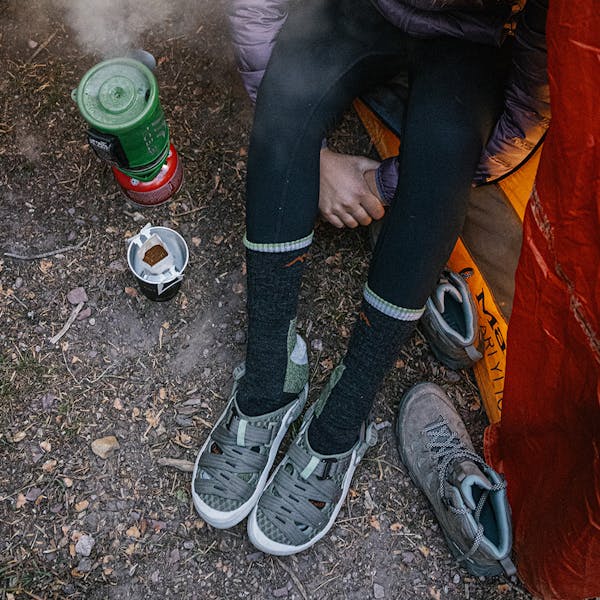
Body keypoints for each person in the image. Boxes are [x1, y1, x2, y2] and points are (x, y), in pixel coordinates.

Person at [191, 0, 549, 558]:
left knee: (446, 158)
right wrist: (316, 157)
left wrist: (389, 183)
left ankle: (344, 415)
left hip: (468, 41)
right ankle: (268, 380)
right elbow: (256, 10)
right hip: (361, 8)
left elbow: (534, 84)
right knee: (287, 89)